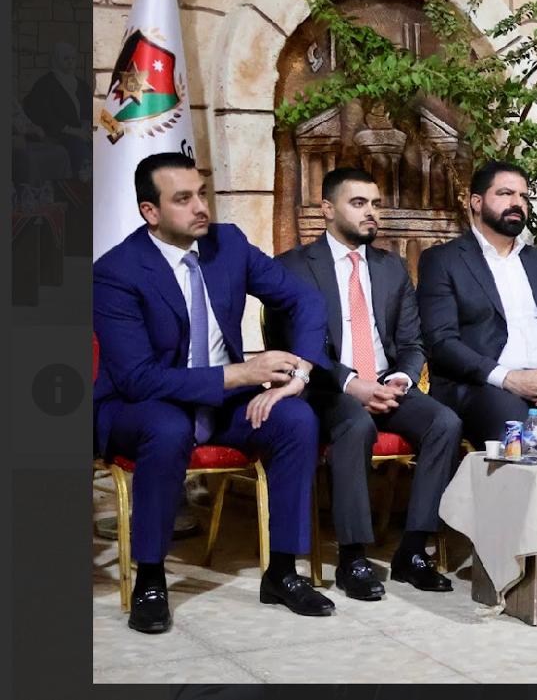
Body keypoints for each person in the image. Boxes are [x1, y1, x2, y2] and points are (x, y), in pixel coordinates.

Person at [94, 153, 334, 634]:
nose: (201, 207)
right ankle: (151, 581)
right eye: (183, 199)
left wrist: (301, 371)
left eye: (202, 194)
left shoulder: (229, 245)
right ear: (150, 211)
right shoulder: (116, 272)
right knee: (168, 428)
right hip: (140, 406)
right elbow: (138, 379)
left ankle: (282, 572)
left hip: (222, 403)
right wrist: (243, 374)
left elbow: (305, 298)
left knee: (296, 420)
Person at [274, 168, 463, 601]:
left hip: (386, 383)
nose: (371, 212)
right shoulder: (293, 267)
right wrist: (351, 384)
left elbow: (412, 342)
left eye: (375, 204)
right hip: (326, 388)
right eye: (358, 203)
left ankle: (412, 550)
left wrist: (399, 379)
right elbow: (292, 344)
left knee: (445, 423)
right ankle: (352, 558)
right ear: (327, 209)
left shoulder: (391, 267)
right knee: (355, 424)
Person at [417, 160, 537, 447]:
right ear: (476, 202)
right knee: (521, 437)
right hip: (482, 387)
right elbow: (441, 342)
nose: (517, 203)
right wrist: (508, 378)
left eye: (523, 196)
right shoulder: (443, 261)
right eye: (506, 193)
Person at [23, 40, 92, 175]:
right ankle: (84, 173)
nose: (70, 62)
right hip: (58, 132)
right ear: (56, 59)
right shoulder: (45, 84)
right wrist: (74, 131)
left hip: (82, 129)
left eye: (73, 59)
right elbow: (43, 114)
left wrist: (86, 125)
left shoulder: (81, 84)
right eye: (66, 59)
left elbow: (89, 108)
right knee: (77, 144)